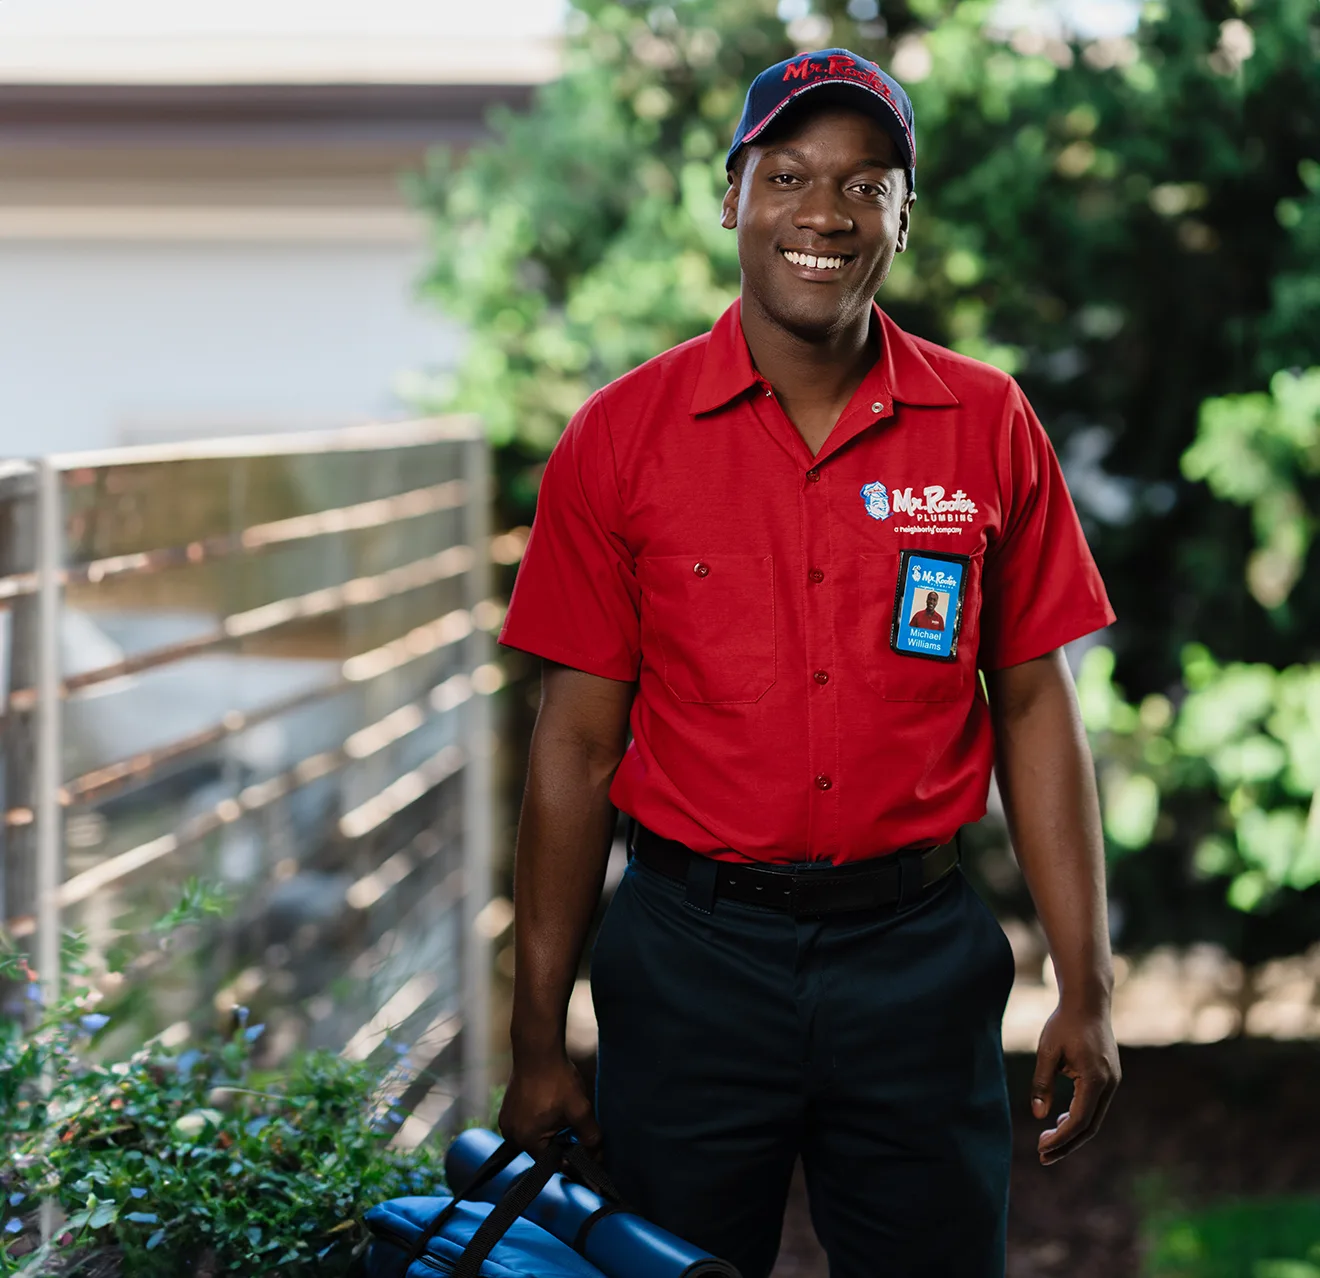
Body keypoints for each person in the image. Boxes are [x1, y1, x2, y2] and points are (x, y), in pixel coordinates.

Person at [495, 46, 1121, 1278]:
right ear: (733, 196)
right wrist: (536, 1040)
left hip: (917, 963)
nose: (824, 214)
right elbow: (573, 746)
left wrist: (1087, 987)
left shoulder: (988, 424)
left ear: (903, 214)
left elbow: (1037, 706)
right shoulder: (620, 439)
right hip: (688, 961)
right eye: (788, 176)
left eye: (864, 183)